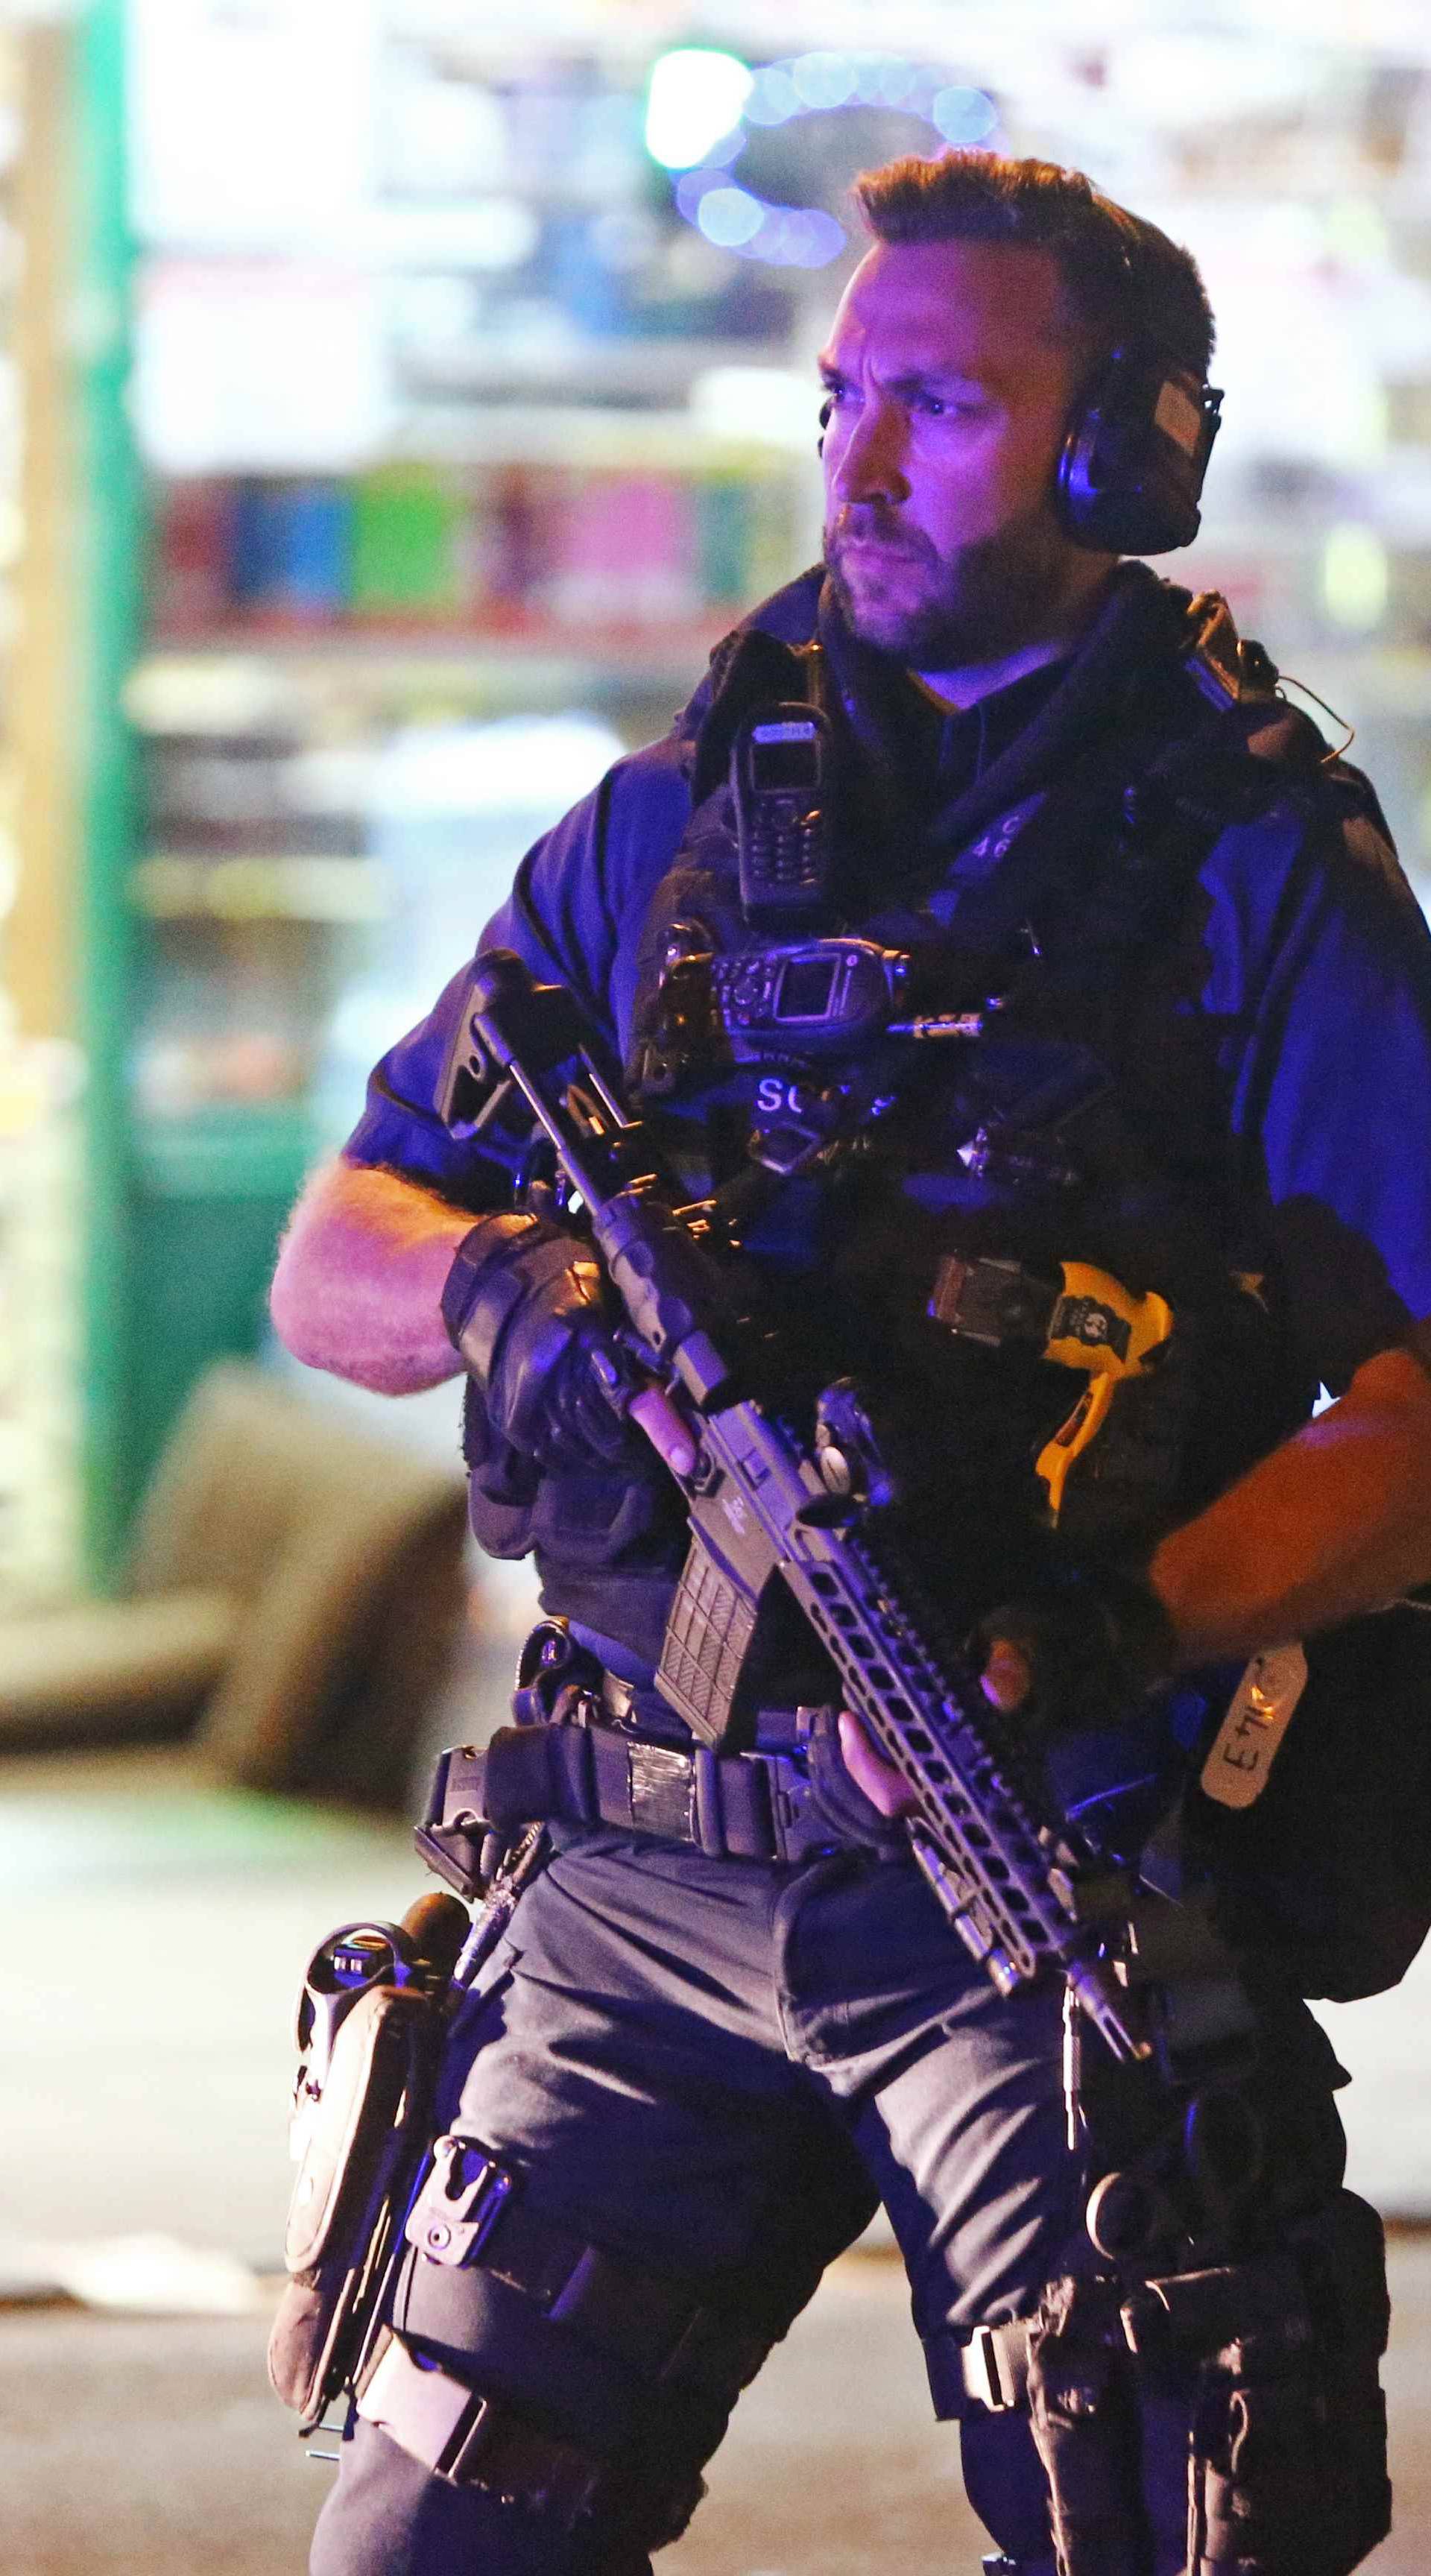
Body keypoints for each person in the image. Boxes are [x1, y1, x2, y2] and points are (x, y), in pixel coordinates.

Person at [271, 151, 1431, 2576]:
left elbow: (1417, 1425)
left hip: (1034, 1864)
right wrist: (530, 1299)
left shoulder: (1254, 869)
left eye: (942, 404)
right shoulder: (668, 834)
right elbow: (339, 1265)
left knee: (1170, 2521)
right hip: (637, 1867)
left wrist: (1130, 1627)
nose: (864, 461)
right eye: (841, 401)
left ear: (1127, 447)